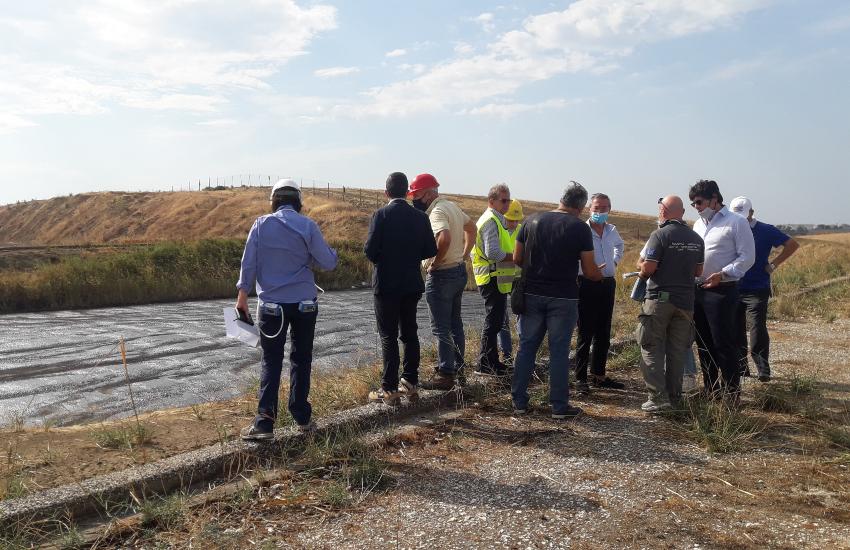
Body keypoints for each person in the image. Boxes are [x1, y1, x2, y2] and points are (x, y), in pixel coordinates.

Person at [237, 179, 338, 440]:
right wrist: (328, 253)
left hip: (271, 307)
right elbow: (327, 263)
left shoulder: (260, 225)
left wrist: (242, 296)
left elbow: (249, 263)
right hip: (305, 304)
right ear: (299, 202)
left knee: (271, 360)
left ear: (274, 202)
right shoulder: (308, 226)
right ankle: (302, 417)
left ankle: (264, 423)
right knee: (301, 359)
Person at [511, 182, 602, 419]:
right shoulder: (580, 228)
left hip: (531, 293)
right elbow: (590, 269)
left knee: (527, 347)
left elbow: (517, 258)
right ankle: (559, 407)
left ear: (561, 199)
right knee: (559, 352)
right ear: (581, 207)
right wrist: (598, 274)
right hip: (563, 297)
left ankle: (519, 402)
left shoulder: (530, 221)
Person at [364, 172, 438, 404]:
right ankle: (411, 382)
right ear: (407, 192)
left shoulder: (381, 215)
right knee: (410, 333)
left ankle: (389, 389)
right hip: (411, 283)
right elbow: (430, 250)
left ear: (386, 193)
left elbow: (369, 251)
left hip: (386, 284)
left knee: (388, 335)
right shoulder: (420, 217)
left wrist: (384, 259)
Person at [408, 173, 477, 390]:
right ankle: (457, 367)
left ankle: (446, 373)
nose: (414, 199)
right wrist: (465, 255)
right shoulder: (452, 207)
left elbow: (444, 238)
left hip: (442, 274)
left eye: (416, 194)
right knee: (455, 323)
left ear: (428, 193)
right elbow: (472, 228)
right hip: (458, 271)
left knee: (440, 327)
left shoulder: (436, 212)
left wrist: (434, 263)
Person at [636, 196, 705, 412]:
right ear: (682, 212)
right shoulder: (696, 239)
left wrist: (641, 268)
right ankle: (675, 398)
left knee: (651, 345)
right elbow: (698, 272)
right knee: (677, 350)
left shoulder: (660, 235)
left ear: (664, 211)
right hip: (686, 302)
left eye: (659, 209)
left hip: (660, 300)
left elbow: (649, 269)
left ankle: (657, 398)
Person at [689, 180, 755, 401]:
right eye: (693, 204)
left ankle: (732, 394)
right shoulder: (697, 225)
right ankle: (711, 389)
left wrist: (723, 274)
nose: (696, 207)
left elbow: (747, 257)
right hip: (699, 290)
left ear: (714, 198)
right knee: (704, 343)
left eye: (699, 202)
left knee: (723, 343)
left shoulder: (736, 222)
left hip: (722, 291)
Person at [729, 196, 799, 382]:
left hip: (757, 287)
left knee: (757, 327)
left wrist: (774, 264)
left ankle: (762, 368)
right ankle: (741, 367)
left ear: (752, 212)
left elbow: (792, 244)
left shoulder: (766, 230)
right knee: (735, 327)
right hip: (733, 286)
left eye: (744, 215)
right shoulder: (730, 228)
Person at [575, 192, 625, 394]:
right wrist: (589, 268)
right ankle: (580, 379)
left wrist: (614, 262)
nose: (600, 211)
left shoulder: (612, 230)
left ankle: (598, 375)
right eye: (596, 208)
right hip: (586, 283)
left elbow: (619, 246)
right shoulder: (582, 230)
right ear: (589, 209)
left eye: (604, 208)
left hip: (607, 283)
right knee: (585, 331)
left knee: (603, 331)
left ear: (609, 209)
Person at [471, 184, 516, 376]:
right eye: (504, 200)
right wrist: (516, 256)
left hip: (495, 277)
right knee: (493, 322)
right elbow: (493, 253)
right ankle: (485, 363)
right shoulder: (490, 220)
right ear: (492, 201)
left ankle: (491, 362)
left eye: (509, 200)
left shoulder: (496, 219)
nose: (507, 204)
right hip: (491, 277)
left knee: (495, 321)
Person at [498, 199, 524, 366]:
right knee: (501, 317)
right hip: (501, 277)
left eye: (516, 220)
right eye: (510, 219)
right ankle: (506, 354)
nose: (514, 223)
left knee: (522, 314)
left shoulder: (523, 231)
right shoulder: (498, 229)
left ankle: (523, 352)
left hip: (518, 279)